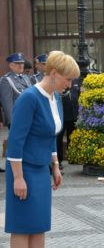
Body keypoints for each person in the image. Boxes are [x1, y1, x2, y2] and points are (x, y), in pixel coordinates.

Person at [4, 50, 80, 248]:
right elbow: (15, 142)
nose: (70, 85)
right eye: (68, 79)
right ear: (53, 72)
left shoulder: (55, 99)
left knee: (39, 225)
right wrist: (18, 178)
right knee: (22, 226)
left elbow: (50, 136)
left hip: (41, 170)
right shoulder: (29, 98)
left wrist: (55, 166)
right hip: (23, 169)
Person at [0, 53, 32, 129]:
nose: (21, 65)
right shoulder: (6, 80)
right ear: (11, 65)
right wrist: (13, 122)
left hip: (30, 117)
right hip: (18, 119)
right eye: (17, 63)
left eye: (22, 63)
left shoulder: (26, 78)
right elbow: (7, 104)